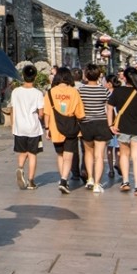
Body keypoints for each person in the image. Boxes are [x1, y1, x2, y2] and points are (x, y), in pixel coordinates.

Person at [108, 66, 137, 196]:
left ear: (125, 78)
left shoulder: (118, 92)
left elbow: (109, 107)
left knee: (124, 155)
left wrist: (110, 124)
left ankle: (125, 182)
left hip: (122, 128)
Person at [44, 66, 85, 194]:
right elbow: (80, 114)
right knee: (69, 155)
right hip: (71, 127)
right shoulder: (74, 92)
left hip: (55, 128)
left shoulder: (50, 93)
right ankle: (63, 179)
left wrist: (47, 128)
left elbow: (47, 113)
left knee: (60, 155)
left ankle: (64, 179)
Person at [77, 63, 111, 193]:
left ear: (86, 75)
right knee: (99, 155)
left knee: (88, 152)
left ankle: (90, 178)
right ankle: (97, 184)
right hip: (101, 123)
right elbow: (109, 107)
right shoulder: (104, 90)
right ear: (98, 76)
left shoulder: (80, 91)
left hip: (86, 123)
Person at [10, 64, 44, 190]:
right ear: (35, 77)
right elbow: (41, 113)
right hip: (33, 128)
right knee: (32, 154)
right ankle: (31, 181)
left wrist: (13, 125)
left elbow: (12, 109)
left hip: (19, 127)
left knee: (23, 152)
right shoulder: (38, 93)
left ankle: (20, 168)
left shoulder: (16, 92)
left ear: (23, 76)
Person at [104, 74, 121, 178]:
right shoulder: (120, 93)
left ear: (109, 84)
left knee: (109, 147)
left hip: (108, 123)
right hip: (119, 123)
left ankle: (111, 170)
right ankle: (117, 163)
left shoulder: (106, 93)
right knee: (118, 147)